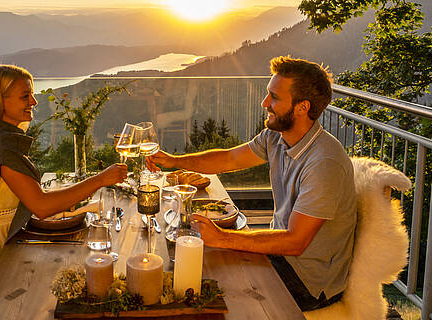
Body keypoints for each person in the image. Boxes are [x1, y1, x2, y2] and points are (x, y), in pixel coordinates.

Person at [147, 56, 356, 311]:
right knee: (191, 262)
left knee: (211, 281)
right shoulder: (276, 136)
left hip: (308, 280)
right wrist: (174, 160)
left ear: (302, 108)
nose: (264, 103)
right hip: (281, 256)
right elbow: (229, 158)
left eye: (275, 98)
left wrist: (223, 237)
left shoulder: (325, 163)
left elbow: (295, 242)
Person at [0, 64, 127, 307]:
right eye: (24, 96)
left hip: (0, 256)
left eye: (31, 94)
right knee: (64, 293)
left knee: (66, 274)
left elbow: (30, 195)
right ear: (0, 101)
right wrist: (100, 179)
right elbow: (40, 206)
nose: (33, 101)